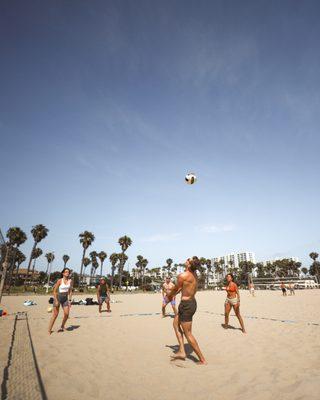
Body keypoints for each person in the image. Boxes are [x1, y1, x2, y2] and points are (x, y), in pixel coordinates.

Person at [166, 257, 206, 365]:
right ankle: (182, 351)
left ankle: (202, 360)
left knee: (188, 333)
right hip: (191, 303)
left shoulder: (183, 276)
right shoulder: (194, 275)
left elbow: (175, 289)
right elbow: (182, 288)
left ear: (189, 264)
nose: (186, 259)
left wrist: (168, 296)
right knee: (175, 324)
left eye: (188, 259)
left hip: (186, 305)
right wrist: (175, 293)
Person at [48, 268, 73, 334]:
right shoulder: (59, 280)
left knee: (67, 314)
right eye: (66, 272)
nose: (67, 273)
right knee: (55, 315)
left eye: (68, 272)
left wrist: (70, 300)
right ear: (63, 273)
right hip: (58, 298)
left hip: (65, 299)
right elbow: (54, 291)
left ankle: (62, 326)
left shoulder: (70, 281)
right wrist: (56, 300)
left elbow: (70, 291)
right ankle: (49, 330)